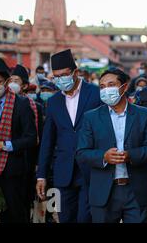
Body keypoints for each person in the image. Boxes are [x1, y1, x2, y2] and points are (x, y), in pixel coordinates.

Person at [76, 68, 147, 223]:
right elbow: (81, 152)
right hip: (104, 192)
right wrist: (103, 157)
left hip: (136, 192)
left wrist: (130, 155)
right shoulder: (91, 117)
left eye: (111, 84)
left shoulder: (144, 114)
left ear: (124, 87)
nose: (106, 90)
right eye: (102, 87)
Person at [36, 49, 101, 223]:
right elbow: (47, 141)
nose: (60, 79)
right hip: (63, 172)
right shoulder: (54, 101)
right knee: (64, 218)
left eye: (64, 75)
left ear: (75, 72)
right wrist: (41, 175)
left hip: (90, 171)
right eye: (56, 76)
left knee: (84, 219)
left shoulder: (95, 94)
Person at [0, 57, 37, 223]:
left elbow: (31, 138)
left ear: (6, 81)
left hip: (11, 166)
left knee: (17, 211)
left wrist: (4, 145)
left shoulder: (22, 104)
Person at [9, 64, 44, 219]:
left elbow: (39, 136)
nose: (12, 84)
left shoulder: (35, 106)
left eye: (16, 80)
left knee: (23, 198)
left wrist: (38, 162)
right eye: (10, 80)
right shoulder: (1, 104)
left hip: (27, 158)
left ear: (23, 85)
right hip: (8, 158)